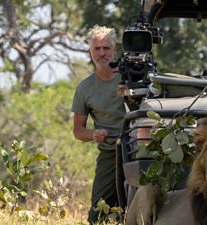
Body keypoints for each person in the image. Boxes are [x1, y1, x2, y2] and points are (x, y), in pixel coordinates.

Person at [71, 25, 126, 224]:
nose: (102, 53)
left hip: (138, 149)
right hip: (110, 153)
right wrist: (93, 134)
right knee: (97, 215)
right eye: (97, 49)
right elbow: (78, 131)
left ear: (114, 50)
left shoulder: (130, 77)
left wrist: (131, 95)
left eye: (106, 48)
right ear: (90, 52)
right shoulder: (85, 88)